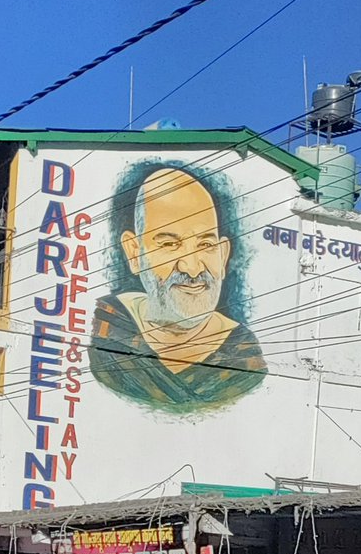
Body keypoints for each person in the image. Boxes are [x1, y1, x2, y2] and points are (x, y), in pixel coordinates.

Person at [89, 166, 267, 414]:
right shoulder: (107, 324)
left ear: (223, 255)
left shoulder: (244, 357)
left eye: (206, 244)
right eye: (170, 244)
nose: (192, 268)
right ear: (134, 253)